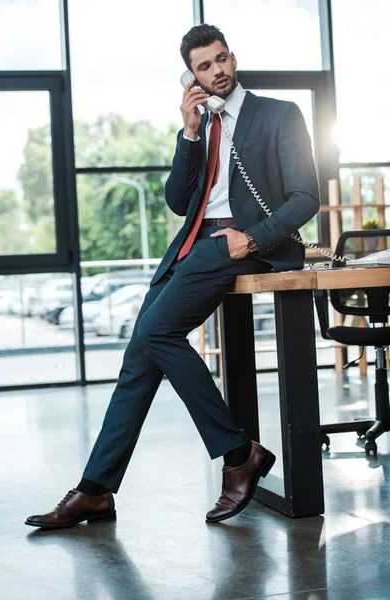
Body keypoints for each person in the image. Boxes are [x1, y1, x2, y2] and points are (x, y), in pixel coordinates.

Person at [26, 24, 319, 529]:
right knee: (140, 352)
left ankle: (236, 452)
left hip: (240, 243)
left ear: (233, 57)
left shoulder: (278, 114)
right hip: (192, 244)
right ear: (192, 75)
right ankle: (96, 489)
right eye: (204, 66)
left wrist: (249, 239)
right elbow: (179, 201)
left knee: (157, 334)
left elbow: (305, 197)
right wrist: (187, 132)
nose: (218, 71)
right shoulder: (200, 123)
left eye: (222, 59)